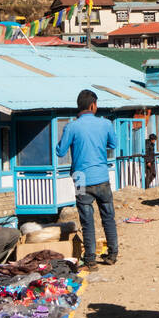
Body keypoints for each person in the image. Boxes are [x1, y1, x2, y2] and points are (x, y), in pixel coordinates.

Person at [56, 90, 119, 268]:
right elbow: (113, 145)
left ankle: (90, 260)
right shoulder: (105, 124)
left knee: (87, 219)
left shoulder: (71, 127)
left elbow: (60, 152)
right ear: (92, 105)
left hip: (81, 178)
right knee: (108, 216)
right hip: (102, 177)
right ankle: (112, 254)